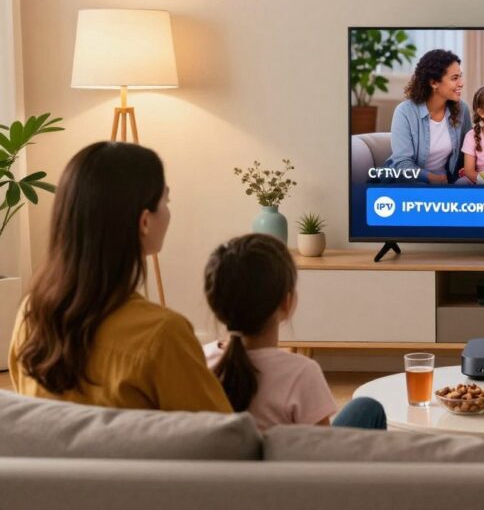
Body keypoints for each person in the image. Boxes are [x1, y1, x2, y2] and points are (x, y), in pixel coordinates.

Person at [8, 142, 231, 412]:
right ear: (144, 222)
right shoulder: (163, 335)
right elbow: (223, 433)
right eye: (166, 201)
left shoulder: (31, 315)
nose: (168, 211)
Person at [203, 234, 385, 431]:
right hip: (293, 451)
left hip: (228, 450)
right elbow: (322, 445)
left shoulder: (199, 361)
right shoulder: (301, 373)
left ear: (215, 304)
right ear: (286, 302)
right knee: (367, 408)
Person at [384, 49, 471, 184]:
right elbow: (401, 163)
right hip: (412, 182)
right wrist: (431, 178)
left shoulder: (462, 109)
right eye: (455, 78)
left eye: (460, 76)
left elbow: (467, 153)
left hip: (447, 182)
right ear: (434, 83)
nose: (461, 83)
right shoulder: (404, 112)